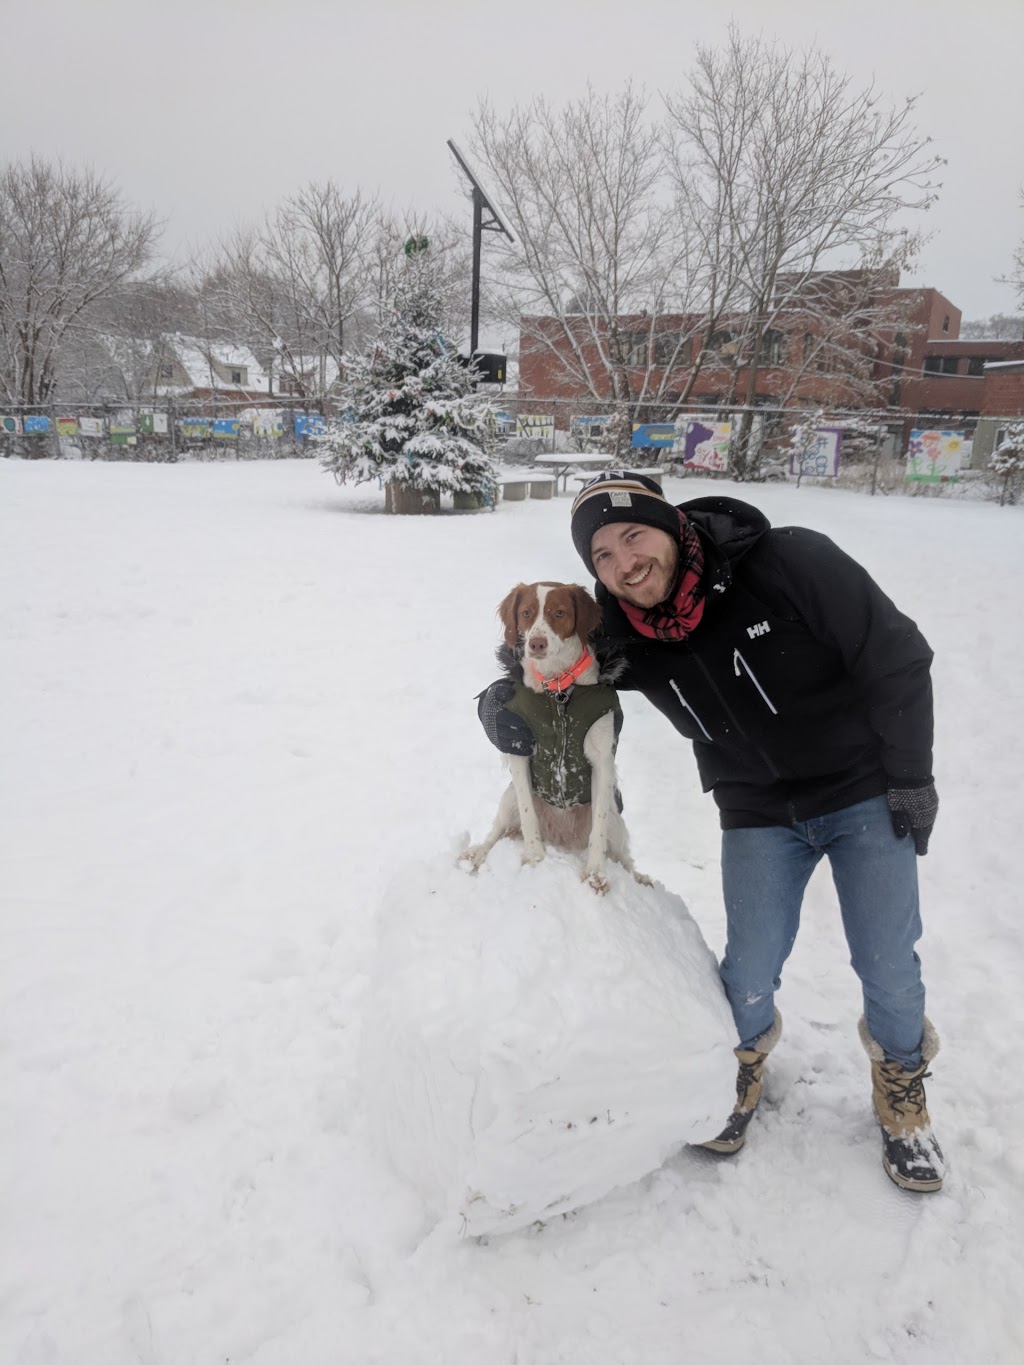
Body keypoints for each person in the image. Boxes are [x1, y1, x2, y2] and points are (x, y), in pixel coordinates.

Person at [478, 471, 944, 1193]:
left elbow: (896, 654)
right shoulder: (625, 625)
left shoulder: (786, 561)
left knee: (887, 961)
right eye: (602, 554)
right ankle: (743, 1063)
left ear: (670, 524)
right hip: (757, 809)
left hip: (860, 790)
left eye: (634, 536)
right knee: (748, 969)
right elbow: (556, 665)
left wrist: (911, 772)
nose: (625, 562)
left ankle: (901, 1087)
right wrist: (496, 698)